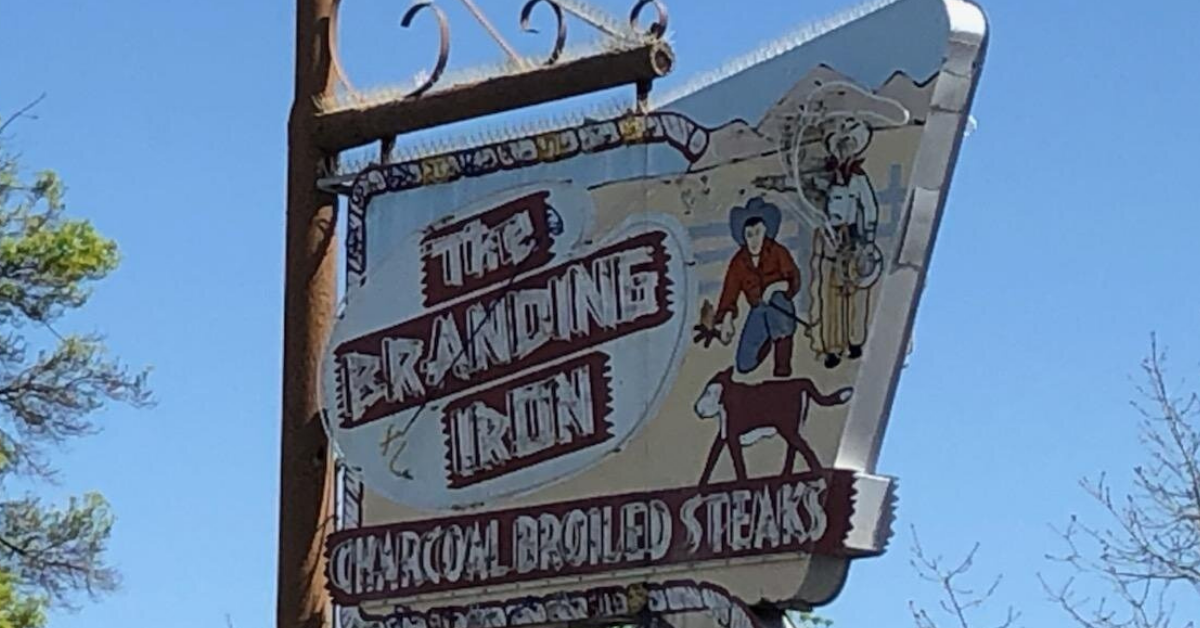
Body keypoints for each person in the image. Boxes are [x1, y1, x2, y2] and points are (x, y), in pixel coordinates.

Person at [714, 199, 802, 377]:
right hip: (759, 308)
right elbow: (730, 291)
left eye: (757, 233)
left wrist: (776, 287)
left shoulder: (778, 251)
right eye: (749, 234)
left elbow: (793, 278)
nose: (754, 240)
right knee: (744, 363)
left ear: (765, 231)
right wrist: (726, 320)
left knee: (779, 308)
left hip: (780, 306)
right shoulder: (739, 261)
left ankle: (782, 364)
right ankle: (767, 339)